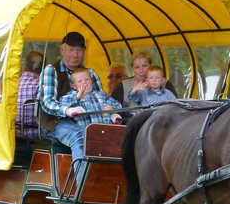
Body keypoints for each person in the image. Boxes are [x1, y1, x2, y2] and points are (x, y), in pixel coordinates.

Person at [39, 31, 105, 161]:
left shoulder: (90, 73)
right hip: (54, 122)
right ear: (62, 50)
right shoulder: (51, 70)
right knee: (78, 134)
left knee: (110, 134)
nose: (75, 54)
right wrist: (67, 110)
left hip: (86, 121)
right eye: (71, 50)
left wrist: (108, 109)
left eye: (79, 50)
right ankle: (83, 174)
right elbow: (47, 102)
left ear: (84, 52)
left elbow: (101, 98)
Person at [111, 50, 177, 121]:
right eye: (137, 67)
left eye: (144, 66)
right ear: (132, 68)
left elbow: (175, 106)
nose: (141, 70)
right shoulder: (122, 86)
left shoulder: (165, 83)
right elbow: (112, 108)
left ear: (151, 66)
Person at [15, 51, 44, 139]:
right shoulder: (41, 86)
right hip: (36, 136)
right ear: (43, 70)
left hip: (13, 134)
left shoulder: (12, 85)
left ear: (23, 67)